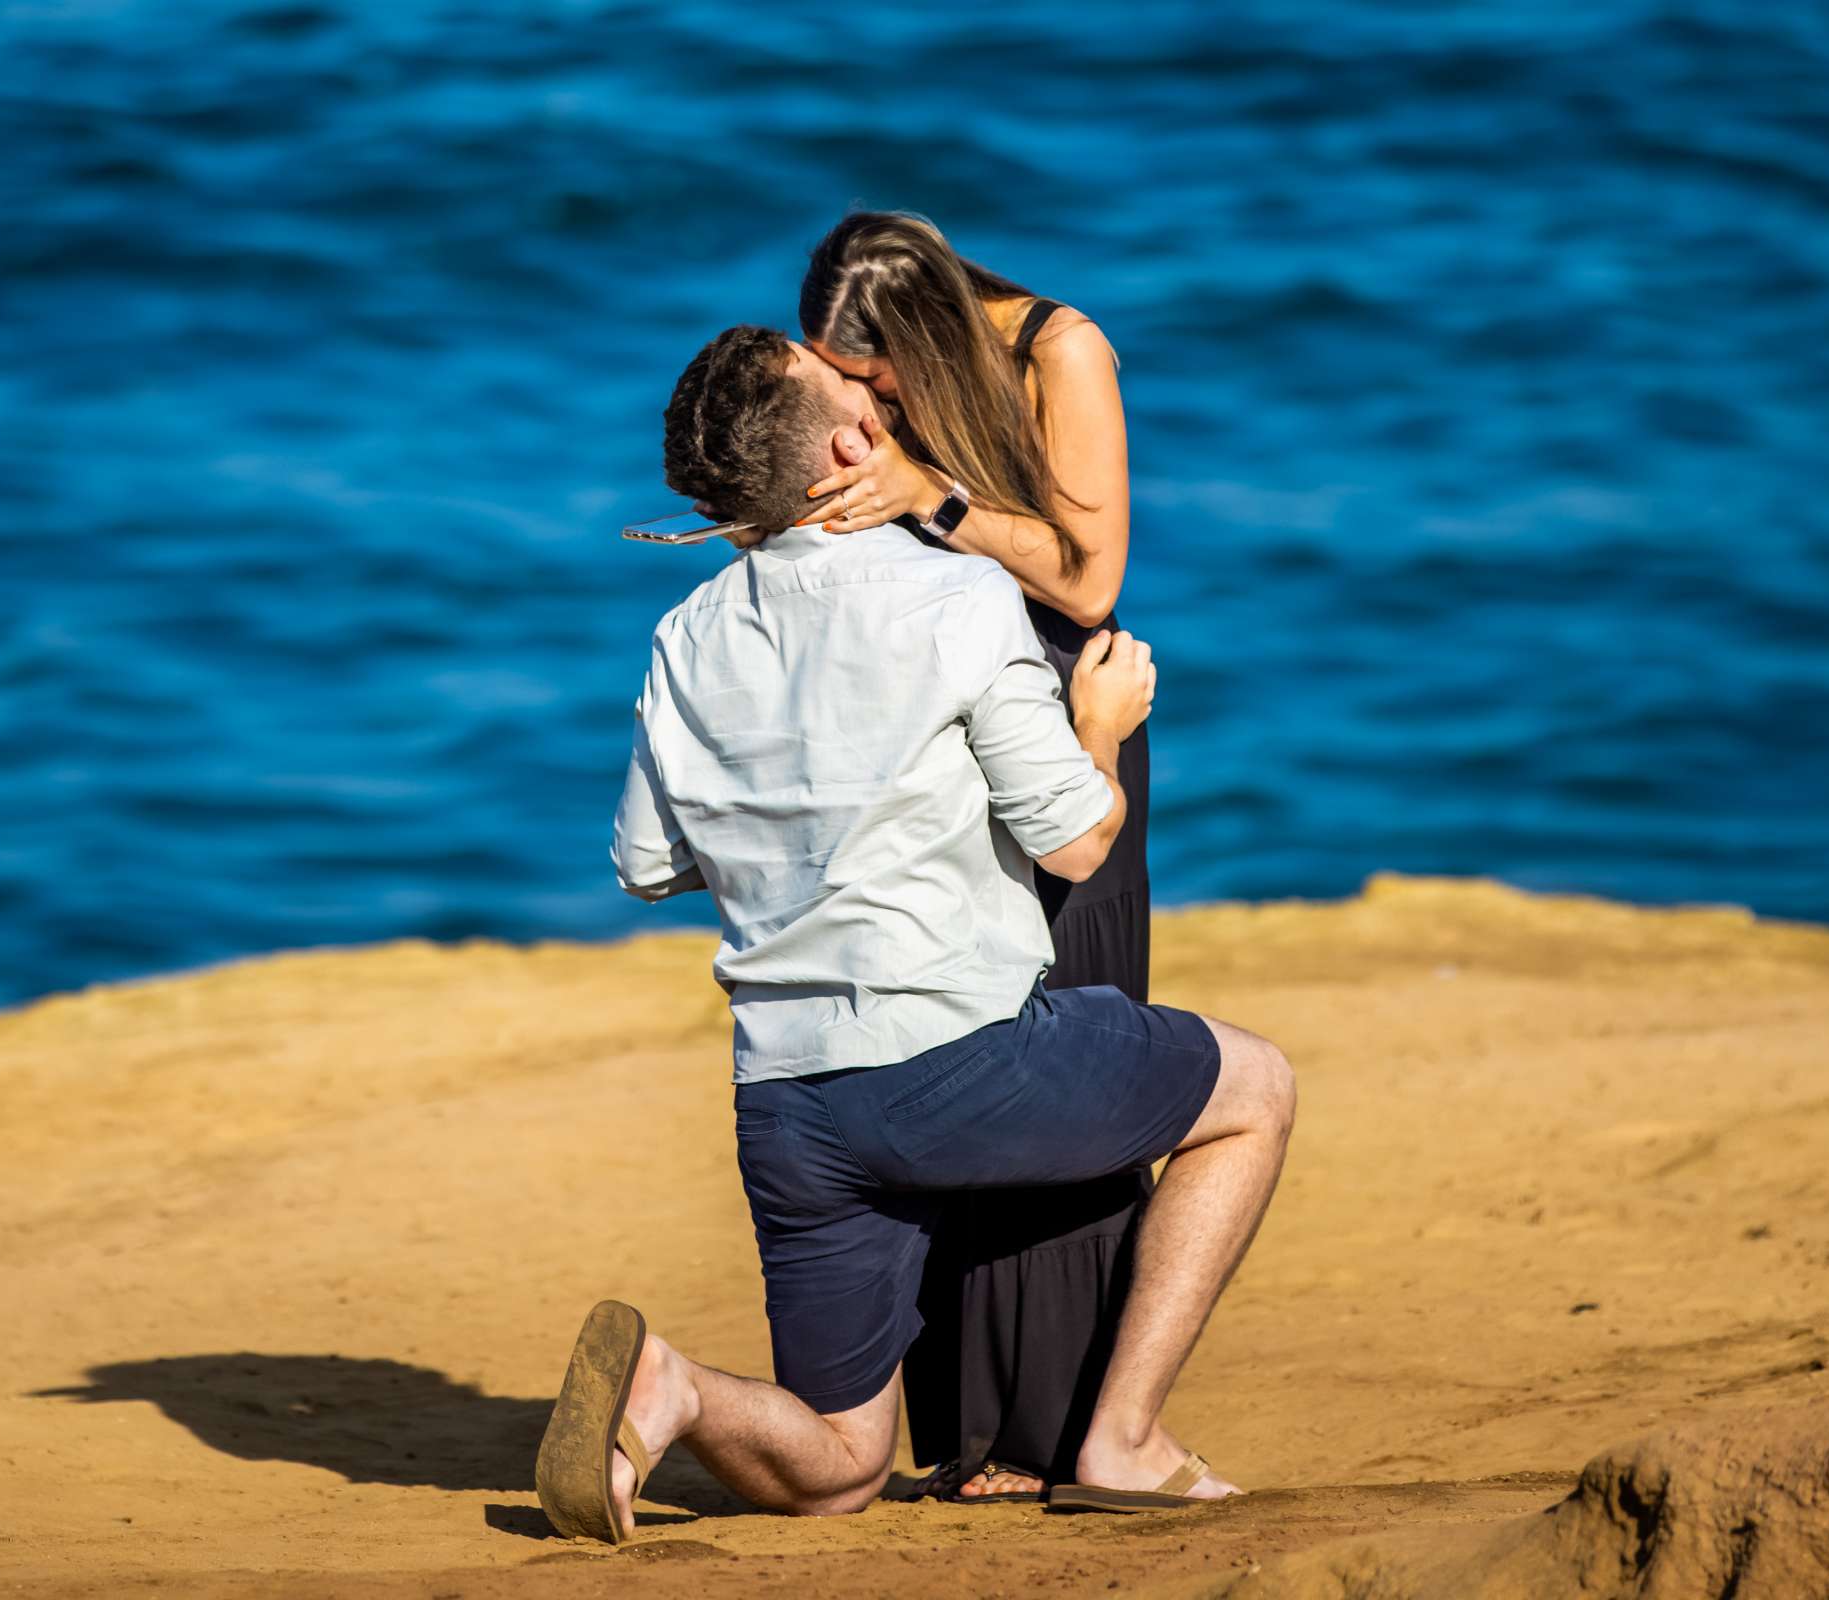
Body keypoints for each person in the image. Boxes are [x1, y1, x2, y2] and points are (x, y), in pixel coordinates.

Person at [532, 325, 1296, 1545]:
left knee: (840, 1464)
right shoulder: (957, 594)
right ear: (850, 443)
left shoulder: (685, 634)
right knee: (1256, 1087)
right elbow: (1078, 845)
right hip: (957, 1068)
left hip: (788, 1105)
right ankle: (1125, 1438)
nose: (879, 392)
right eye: (856, 386)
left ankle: (669, 1387)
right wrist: (1099, 721)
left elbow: (645, 866)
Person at [795, 211, 1151, 1501]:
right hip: (929, 689)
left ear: (927, 334)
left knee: (1061, 1024)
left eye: (875, 374)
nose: (867, 397)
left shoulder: (1064, 352)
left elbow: (1090, 577)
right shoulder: (869, 371)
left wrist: (933, 500)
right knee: (945, 1017)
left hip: (1062, 700)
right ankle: (954, 1410)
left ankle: (1046, 1425)